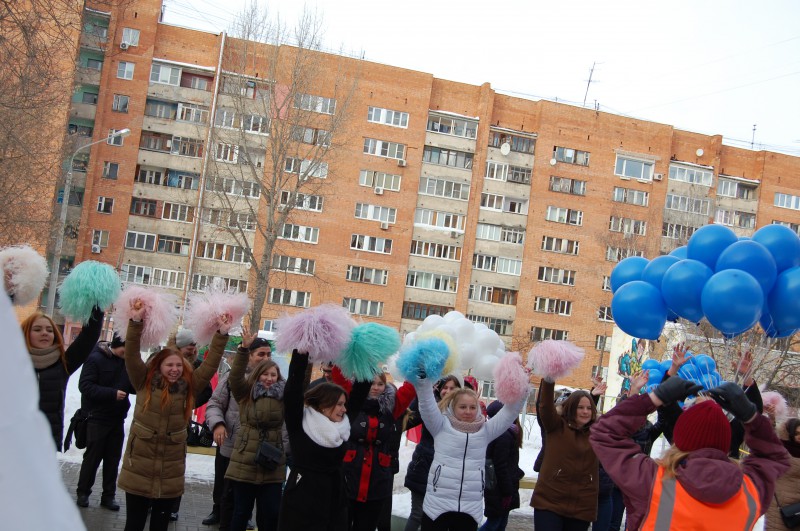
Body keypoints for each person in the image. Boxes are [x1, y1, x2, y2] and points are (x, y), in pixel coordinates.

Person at [590, 377, 790, 530]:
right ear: (726, 441)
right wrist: (751, 417)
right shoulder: (750, 490)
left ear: (679, 437)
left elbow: (604, 433)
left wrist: (654, 398)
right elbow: (775, 457)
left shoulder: (651, 480)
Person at [118, 304, 228, 531]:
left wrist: (221, 334)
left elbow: (210, 365)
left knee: (160, 525)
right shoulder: (143, 380)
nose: (175, 369)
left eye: (179, 365)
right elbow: (131, 355)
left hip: (170, 469)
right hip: (140, 465)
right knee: (134, 524)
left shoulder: (189, 385)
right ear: (159, 365)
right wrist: (136, 322)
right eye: (170, 365)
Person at [413, 375, 526, 531]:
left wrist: (522, 385)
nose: (468, 411)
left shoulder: (485, 431)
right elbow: (426, 403)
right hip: (437, 506)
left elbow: (510, 412)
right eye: (463, 407)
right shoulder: (440, 425)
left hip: (469, 509)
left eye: (472, 407)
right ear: (453, 407)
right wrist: (423, 380)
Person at [278, 350, 370, 530]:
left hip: (334, 499)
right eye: (339, 404)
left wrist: (367, 358)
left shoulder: (343, 424)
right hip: (301, 500)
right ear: (323, 404)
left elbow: (359, 394)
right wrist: (302, 352)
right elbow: (293, 389)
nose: (344, 409)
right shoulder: (300, 422)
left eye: (344, 404)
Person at [204, 338, 272, 529]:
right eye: (261, 354)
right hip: (230, 442)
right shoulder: (233, 377)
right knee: (224, 485)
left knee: (247, 487)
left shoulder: (273, 380)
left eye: (268, 354)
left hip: (257, 447)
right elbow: (215, 404)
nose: (265, 358)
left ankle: (244, 514)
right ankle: (218, 510)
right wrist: (218, 424)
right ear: (249, 356)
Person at [224, 332, 286, 531]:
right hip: (245, 459)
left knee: (271, 513)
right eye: (265, 374)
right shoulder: (246, 392)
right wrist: (243, 349)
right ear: (257, 375)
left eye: (273, 375)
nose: (269, 378)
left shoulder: (284, 395)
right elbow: (235, 377)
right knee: (241, 511)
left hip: (272, 459)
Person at [22, 307, 103, 451]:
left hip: (45, 444)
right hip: (12, 442)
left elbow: (89, 335)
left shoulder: (62, 365)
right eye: (37, 329)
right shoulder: (11, 364)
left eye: (49, 330)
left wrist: (96, 303)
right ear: (26, 333)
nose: (44, 333)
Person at [343, 372, 416, 530]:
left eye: (380, 384)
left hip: (376, 482)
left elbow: (410, 389)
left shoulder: (392, 406)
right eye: (371, 383)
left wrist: (419, 368)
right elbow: (340, 377)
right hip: (349, 476)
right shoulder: (350, 401)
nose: (375, 388)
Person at [530, 378, 599, 530]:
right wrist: (549, 377)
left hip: (582, 506)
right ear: (571, 408)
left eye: (589, 408)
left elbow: (623, 421)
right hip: (549, 502)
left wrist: (634, 392)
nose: (585, 411)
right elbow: (545, 405)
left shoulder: (597, 433)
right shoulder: (555, 426)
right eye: (580, 407)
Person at [75, 333, 134, 511]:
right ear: (116, 344)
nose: (127, 353)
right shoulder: (95, 359)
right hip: (97, 418)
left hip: (117, 419)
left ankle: (108, 496)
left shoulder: (127, 362)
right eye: (125, 348)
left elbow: (133, 385)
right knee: (92, 459)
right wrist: (112, 394)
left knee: (113, 460)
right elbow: (85, 386)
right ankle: (83, 493)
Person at [403, 375, 461, 531]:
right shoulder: (430, 407)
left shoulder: (462, 413)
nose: (448, 391)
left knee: (437, 517)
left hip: (447, 473)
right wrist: (421, 395)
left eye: (452, 388)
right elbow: (409, 419)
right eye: (445, 387)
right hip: (424, 467)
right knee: (418, 514)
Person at [169, 327, 215, 521]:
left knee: (177, 468)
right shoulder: (162, 361)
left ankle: (172, 507)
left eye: (195, 346)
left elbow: (207, 390)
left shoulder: (197, 365)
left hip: (181, 425)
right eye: (190, 346)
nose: (193, 350)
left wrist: (188, 404)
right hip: (158, 423)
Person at [480, 400, 524, 531]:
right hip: (500, 489)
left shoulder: (506, 433)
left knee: (500, 523)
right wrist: (507, 491)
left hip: (500, 487)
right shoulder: (503, 435)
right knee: (494, 524)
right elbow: (500, 466)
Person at [766, 418, 800, 531]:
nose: (799, 437)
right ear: (789, 434)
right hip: (779, 506)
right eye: (796, 433)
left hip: (797, 510)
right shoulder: (778, 450)